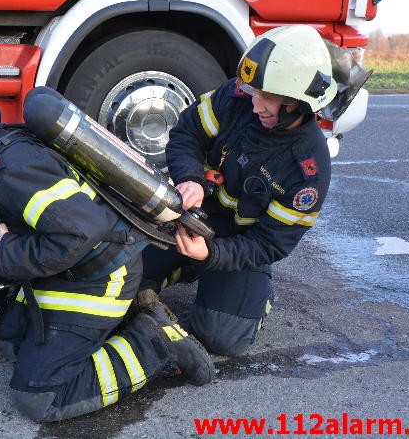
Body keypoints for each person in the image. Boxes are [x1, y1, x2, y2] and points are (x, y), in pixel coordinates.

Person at [0, 78, 214, 422]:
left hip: (100, 277)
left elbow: (80, 231)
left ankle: (153, 341)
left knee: (39, 396)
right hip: (75, 266)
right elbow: (4, 248)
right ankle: (124, 321)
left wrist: (7, 252)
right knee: (10, 340)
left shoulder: (10, 168)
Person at [142, 25, 337, 357]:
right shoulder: (237, 98)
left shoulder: (308, 170)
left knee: (221, 338)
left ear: (297, 105)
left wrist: (213, 254)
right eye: (254, 92)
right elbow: (186, 134)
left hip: (239, 248)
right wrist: (190, 178)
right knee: (119, 282)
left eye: (268, 99)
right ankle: (186, 264)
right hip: (189, 220)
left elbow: (269, 243)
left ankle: (255, 296)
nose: (255, 104)